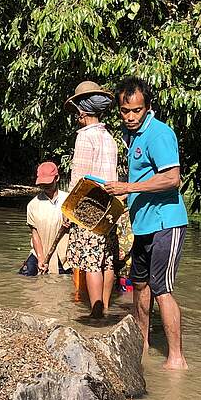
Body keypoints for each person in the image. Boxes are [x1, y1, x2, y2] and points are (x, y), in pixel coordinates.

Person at [104, 77, 190, 370]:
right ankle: (141, 345)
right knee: (139, 285)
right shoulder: (133, 136)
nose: (130, 117)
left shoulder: (159, 134)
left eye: (136, 111)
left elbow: (171, 178)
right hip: (143, 224)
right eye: (125, 111)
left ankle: (176, 359)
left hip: (167, 222)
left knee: (162, 288)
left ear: (147, 107)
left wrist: (127, 189)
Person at [65, 80, 120, 318]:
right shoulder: (110, 138)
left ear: (81, 111)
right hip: (110, 206)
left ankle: (95, 313)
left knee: (90, 262)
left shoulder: (84, 138)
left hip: (89, 207)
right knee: (106, 260)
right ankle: (106, 307)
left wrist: (67, 213)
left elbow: (79, 180)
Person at [20, 161, 69, 277]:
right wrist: (41, 258)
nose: (45, 186)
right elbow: (34, 233)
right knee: (25, 276)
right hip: (40, 252)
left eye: (48, 183)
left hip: (64, 254)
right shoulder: (33, 205)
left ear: (57, 178)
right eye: (42, 183)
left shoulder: (68, 200)